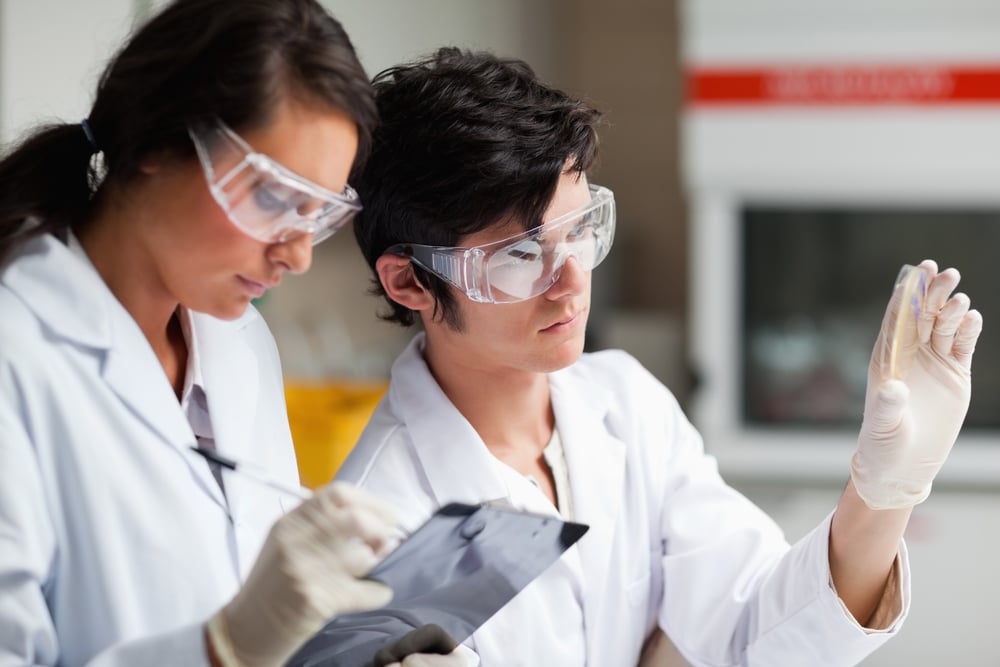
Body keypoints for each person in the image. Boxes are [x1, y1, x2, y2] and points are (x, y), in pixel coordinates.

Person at [337, 47, 984, 666]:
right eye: (520, 254)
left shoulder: (625, 403)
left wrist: (885, 492)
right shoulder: (379, 523)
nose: (572, 281)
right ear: (410, 282)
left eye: (580, 230)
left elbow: (760, 625)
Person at [0, 2, 466, 666]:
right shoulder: (17, 353)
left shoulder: (239, 342)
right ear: (156, 143)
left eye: (318, 215)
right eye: (273, 197)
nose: (297, 256)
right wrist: (222, 649)